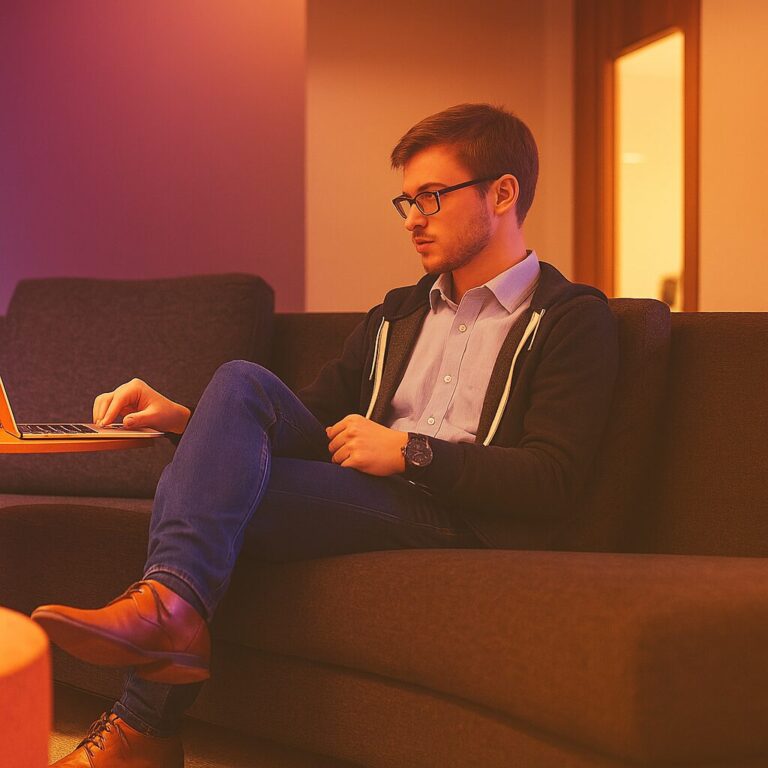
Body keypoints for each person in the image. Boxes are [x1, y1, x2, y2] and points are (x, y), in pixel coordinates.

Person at [32, 103, 619, 767]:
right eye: (406, 200)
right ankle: (170, 615)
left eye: (431, 196)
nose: (413, 219)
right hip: (363, 491)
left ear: (503, 193)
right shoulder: (398, 313)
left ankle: (144, 724)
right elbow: (298, 422)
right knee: (241, 384)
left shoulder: (569, 319)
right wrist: (186, 422)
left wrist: (409, 452)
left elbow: (551, 479)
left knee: (211, 503)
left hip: (459, 515)